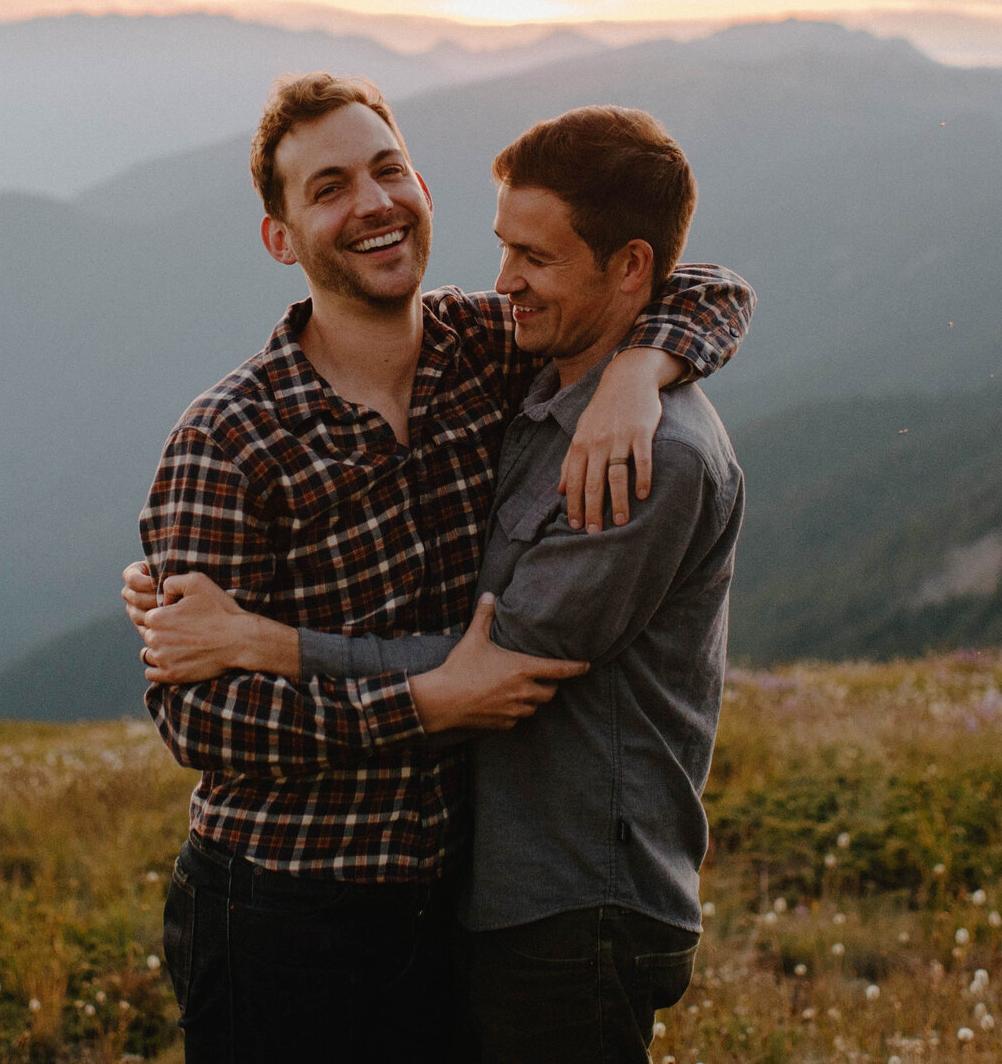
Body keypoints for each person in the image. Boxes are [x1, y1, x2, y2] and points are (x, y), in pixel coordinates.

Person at [130, 75, 752, 1064]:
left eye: (387, 170)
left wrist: (644, 368)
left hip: (452, 901)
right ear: (281, 238)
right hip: (287, 907)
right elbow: (197, 717)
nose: (372, 201)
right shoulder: (227, 437)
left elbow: (696, 283)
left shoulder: (486, 350)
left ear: (420, 185)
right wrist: (421, 704)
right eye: (328, 187)